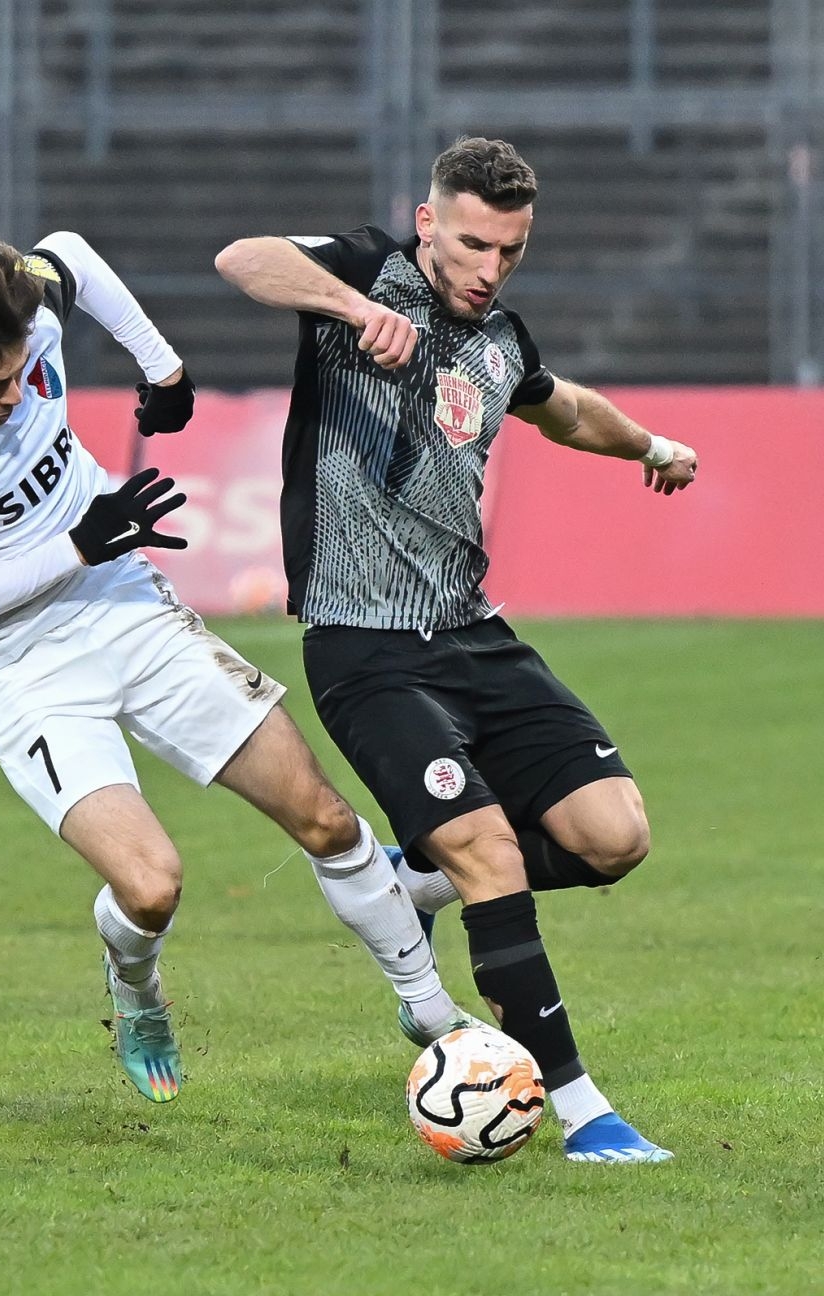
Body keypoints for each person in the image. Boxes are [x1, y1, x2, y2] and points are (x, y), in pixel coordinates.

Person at [0, 230, 474, 1104]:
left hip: (125, 606)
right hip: (22, 664)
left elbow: (69, 251)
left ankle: (433, 1014)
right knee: (150, 887)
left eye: (22, 371)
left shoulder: (23, 308)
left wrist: (163, 368)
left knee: (324, 817)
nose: (17, 396)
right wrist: (78, 542)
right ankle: (135, 988)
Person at [215, 136, 697, 1161]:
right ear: (428, 222)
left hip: (475, 636)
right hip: (365, 648)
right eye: (473, 244)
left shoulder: (500, 338)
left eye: (510, 251)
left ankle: (417, 879)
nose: (489, 269)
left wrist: (650, 446)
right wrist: (354, 312)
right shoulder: (364, 272)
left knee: (615, 836)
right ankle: (581, 1112)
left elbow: (565, 411)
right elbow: (242, 258)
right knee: (489, 851)